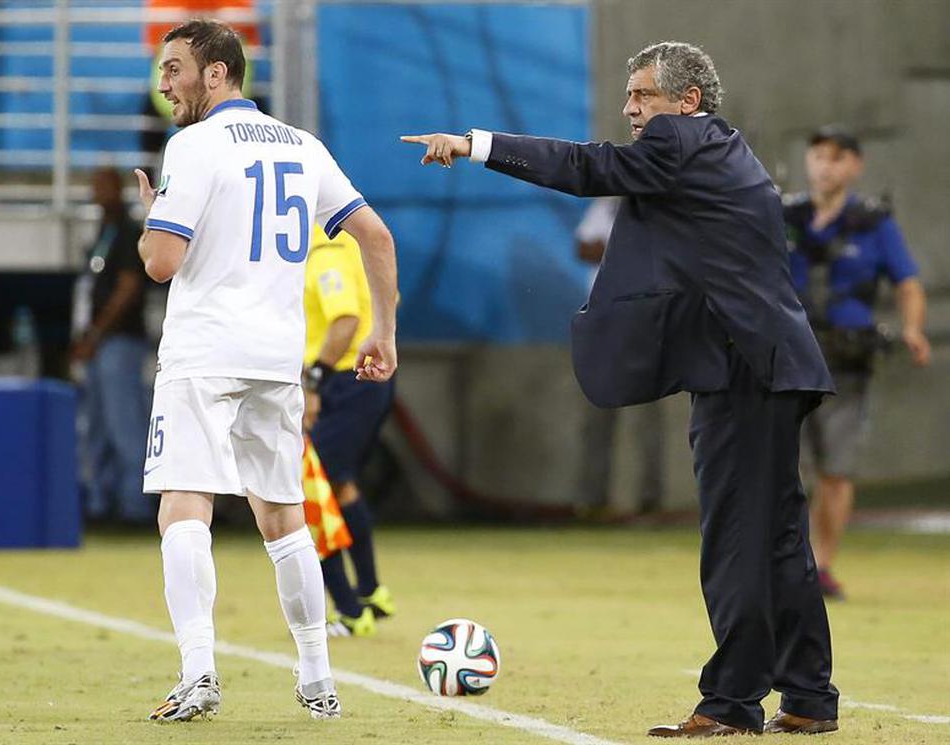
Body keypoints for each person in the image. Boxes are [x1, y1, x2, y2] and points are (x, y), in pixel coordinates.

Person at [403, 41, 840, 737]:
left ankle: (731, 703)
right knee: (777, 538)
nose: (630, 108)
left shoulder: (680, 140)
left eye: (643, 95)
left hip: (744, 369)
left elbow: (588, 166)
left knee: (738, 539)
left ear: (687, 101)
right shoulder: (719, 145)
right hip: (770, 365)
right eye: (630, 95)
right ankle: (810, 695)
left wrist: (475, 144)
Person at [133, 19, 397, 722]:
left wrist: (152, 217)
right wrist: (384, 332)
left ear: (216, 72)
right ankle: (318, 678)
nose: (164, 84)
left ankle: (198, 671)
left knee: (183, 503)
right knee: (283, 517)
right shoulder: (302, 145)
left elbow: (162, 262)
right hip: (276, 358)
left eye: (174, 68)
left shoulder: (194, 145)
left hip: (203, 351)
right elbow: (375, 234)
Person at [784, 126, 930, 599]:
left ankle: (821, 565)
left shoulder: (873, 223)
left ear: (855, 165)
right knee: (783, 467)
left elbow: (908, 282)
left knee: (836, 467)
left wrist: (912, 329)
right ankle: (787, 564)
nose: (825, 167)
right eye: (818, 156)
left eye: (836, 158)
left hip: (845, 359)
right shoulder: (786, 216)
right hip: (787, 356)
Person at [302, 224, 397, 638]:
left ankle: (348, 609)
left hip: (343, 382)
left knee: (309, 491)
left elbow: (344, 319)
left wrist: (313, 382)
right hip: (366, 384)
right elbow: (388, 297)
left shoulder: (325, 253)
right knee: (339, 485)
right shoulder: (353, 245)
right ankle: (371, 592)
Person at [71, 166, 154, 524]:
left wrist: (96, 334)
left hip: (120, 343)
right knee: (98, 426)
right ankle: (102, 503)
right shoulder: (103, 231)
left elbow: (127, 288)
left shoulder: (127, 232)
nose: (97, 193)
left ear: (118, 190)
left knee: (125, 424)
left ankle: (135, 506)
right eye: (94, 186)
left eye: (104, 186)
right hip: (99, 344)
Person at [575, 197, 666, 514]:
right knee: (596, 412)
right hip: (602, 323)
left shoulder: (659, 205)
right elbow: (582, 248)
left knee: (645, 417)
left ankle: (648, 501)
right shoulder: (607, 206)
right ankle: (592, 502)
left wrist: (612, 251)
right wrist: (626, 252)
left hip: (645, 323)